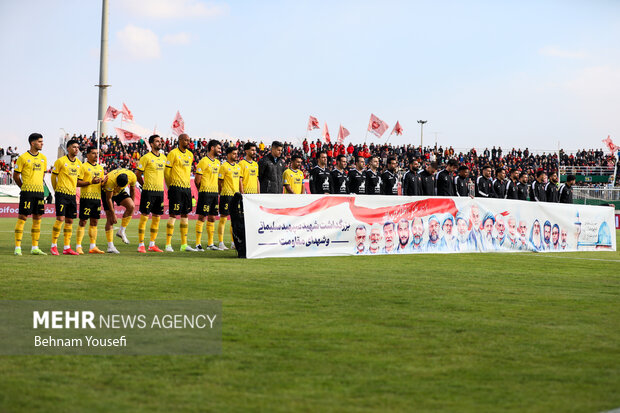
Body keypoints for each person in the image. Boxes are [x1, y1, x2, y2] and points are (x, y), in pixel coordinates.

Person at [13, 133, 48, 256]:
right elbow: (16, 175)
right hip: (27, 192)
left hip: (39, 192)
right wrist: (23, 187)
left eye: (42, 141)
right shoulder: (22, 158)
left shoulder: (43, 158)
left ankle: (35, 247)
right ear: (32, 143)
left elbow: (43, 175)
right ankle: (17, 247)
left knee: (38, 219)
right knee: (22, 218)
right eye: (39, 141)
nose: (42, 143)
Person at [50, 139, 82, 255]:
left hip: (72, 195)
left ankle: (67, 247)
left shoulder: (79, 163)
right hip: (61, 194)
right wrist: (56, 190)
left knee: (70, 220)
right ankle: (53, 246)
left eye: (77, 147)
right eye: (74, 147)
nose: (76, 149)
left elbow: (77, 180)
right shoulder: (60, 161)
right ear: (68, 148)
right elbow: (53, 177)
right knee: (60, 219)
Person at [135, 135, 166, 253]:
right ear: (151, 144)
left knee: (157, 217)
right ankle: (141, 244)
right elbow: (138, 174)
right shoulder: (146, 158)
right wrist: (144, 186)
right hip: (148, 191)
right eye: (157, 141)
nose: (160, 143)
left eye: (160, 141)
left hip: (160, 192)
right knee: (144, 217)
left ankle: (152, 244)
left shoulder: (164, 158)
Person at [164, 133, 195, 252]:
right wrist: (169, 186)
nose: (188, 142)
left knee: (185, 214)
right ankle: (168, 245)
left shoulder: (190, 155)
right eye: (186, 140)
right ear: (180, 140)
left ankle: (184, 245)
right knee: (173, 215)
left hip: (186, 188)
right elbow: (167, 173)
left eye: (189, 140)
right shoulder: (173, 153)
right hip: (175, 188)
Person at [75, 147, 105, 254]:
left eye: (97, 153)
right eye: (93, 153)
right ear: (87, 155)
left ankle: (93, 246)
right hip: (86, 198)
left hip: (97, 198)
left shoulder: (100, 168)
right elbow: (77, 182)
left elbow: (101, 183)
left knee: (94, 222)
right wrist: (90, 182)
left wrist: (103, 183)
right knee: (83, 221)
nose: (96, 155)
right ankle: (78, 246)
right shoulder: (83, 167)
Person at [194, 140, 221, 251]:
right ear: (212, 148)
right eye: (218, 148)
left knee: (212, 218)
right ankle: (198, 244)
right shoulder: (203, 161)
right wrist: (202, 190)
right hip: (205, 193)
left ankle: (210, 244)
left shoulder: (218, 163)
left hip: (214, 193)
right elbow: (197, 181)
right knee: (202, 217)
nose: (220, 150)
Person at [101, 168, 137, 253]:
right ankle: (110, 247)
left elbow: (132, 190)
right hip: (107, 192)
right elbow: (109, 198)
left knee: (131, 206)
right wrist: (113, 213)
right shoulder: (110, 181)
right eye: (118, 185)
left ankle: (121, 231)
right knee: (110, 219)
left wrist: (132, 202)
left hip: (119, 192)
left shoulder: (132, 176)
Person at [218, 146, 241, 250]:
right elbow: (219, 181)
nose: (236, 155)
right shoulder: (223, 166)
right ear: (228, 154)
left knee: (234, 220)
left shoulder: (238, 167)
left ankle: (233, 242)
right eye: (234, 153)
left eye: (236, 153)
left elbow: (239, 181)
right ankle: (221, 243)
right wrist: (221, 192)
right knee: (223, 218)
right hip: (226, 195)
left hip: (235, 196)